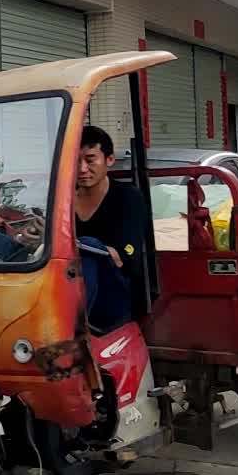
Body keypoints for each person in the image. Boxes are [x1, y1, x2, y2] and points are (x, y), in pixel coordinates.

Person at [73, 125, 147, 331]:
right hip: (64, 286)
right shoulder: (62, 198)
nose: (81, 169)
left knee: (90, 247)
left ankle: (73, 327)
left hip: (113, 296)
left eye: (89, 160)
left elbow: (123, 255)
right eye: (75, 161)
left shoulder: (127, 198)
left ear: (109, 160)